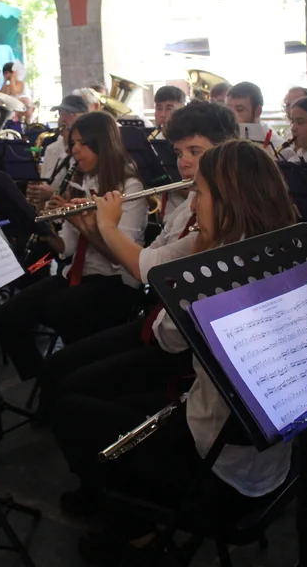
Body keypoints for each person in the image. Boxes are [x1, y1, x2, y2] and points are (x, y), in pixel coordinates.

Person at [50, 140, 296, 565]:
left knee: (71, 411)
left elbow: (169, 338)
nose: (192, 204)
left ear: (230, 202)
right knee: (112, 401)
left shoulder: (218, 268)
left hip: (217, 464)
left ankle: (140, 535)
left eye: (200, 194)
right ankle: (122, 497)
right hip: (268, 460)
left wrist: (107, 226)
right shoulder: (281, 246)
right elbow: (150, 265)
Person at [34, 101, 238, 420]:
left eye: (195, 152)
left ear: (225, 153)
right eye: (179, 152)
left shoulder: (222, 214)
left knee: (73, 389)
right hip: (156, 321)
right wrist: (89, 226)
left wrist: (105, 226)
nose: (183, 162)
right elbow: (148, 254)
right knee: (58, 367)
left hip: (183, 344)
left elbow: (147, 268)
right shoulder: (187, 205)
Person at [0, 111, 147, 382]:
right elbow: (66, 248)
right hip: (78, 275)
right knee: (8, 315)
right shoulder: (82, 181)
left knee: (61, 308)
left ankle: (72, 378)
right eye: (73, 143)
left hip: (116, 283)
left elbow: (120, 259)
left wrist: (81, 224)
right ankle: (41, 377)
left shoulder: (130, 188)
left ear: (103, 144)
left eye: (82, 144)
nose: (74, 150)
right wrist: (44, 229)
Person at [26, 94, 89, 209]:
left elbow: (85, 197)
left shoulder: (86, 151)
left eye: (70, 114)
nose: (62, 119)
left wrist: (52, 194)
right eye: (60, 114)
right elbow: (44, 186)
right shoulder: (51, 149)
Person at [225, 82, 289, 154]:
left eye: (239, 109)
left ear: (258, 111)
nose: (231, 115)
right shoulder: (221, 135)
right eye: (228, 109)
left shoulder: (281, 148)